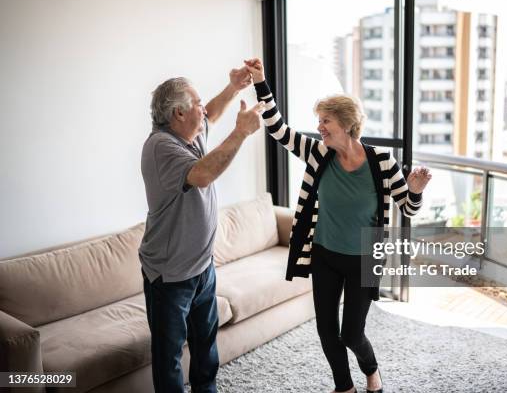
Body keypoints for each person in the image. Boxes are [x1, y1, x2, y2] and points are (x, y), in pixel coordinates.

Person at [244, 58, 431, 393]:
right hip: (325, 254)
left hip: (362, 258)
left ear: (346, 124)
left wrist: (414, 190)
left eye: (325, 121)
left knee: (351, 333)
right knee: (327, 329)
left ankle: (372, 372)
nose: (320, 127)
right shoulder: (319, 153)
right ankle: (344, 387)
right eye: (319, 121)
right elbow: (278, 129)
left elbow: (408, 207)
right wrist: (261, 81)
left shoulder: (381, 162)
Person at [139, 69, 263, 393]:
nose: (202, 108)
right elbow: (204, 174)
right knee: (169, 358)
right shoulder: (160, 147)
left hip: (202, 266)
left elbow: (212, 111)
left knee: (206, 348)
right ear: (178, 113)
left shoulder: (188, 132)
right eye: (195, 103)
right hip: (170, 275)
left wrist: (234, 88)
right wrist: (241, 133)